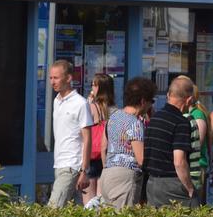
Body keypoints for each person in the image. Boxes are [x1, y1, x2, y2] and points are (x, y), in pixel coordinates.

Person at [100, 77, 155, 209]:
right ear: (142, 101)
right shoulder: (135, 123)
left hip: (107, 174)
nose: (150, 106)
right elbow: (141, 159)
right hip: (125, 176)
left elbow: (103, 147)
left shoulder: (113, 117)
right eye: (151, 101)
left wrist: (107, 166)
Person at [143, 77, 197, 207]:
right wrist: (190, 188)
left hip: (152, 183)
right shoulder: (181, 122)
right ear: (188, 99)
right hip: (172, 184)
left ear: (168, 95)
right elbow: (179, 162)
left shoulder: (154, 119)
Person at [47, 60, 92, 207]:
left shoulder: (80, 103)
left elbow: (87, 138)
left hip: (72, 165)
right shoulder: (56, 100)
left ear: (68, 78)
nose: (52, 82)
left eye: (56, 78)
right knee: (72, 214)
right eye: (51, 78)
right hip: (59, 164)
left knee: (52, 210)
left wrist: (84, 170)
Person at [82, 73, 117, 207]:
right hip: (107, 155)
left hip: (91, 154)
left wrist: (88, 101)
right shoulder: (115, 109)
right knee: (101, 200)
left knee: (89, 200)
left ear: (100, 88)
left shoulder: (90, 107)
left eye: (94, 85)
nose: (92, 87)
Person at [176, 76, 210, 204]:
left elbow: (197, 144)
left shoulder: (197, 115)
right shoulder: (182, 114)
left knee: (194, 202)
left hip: (196, 166)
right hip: (185, 165)